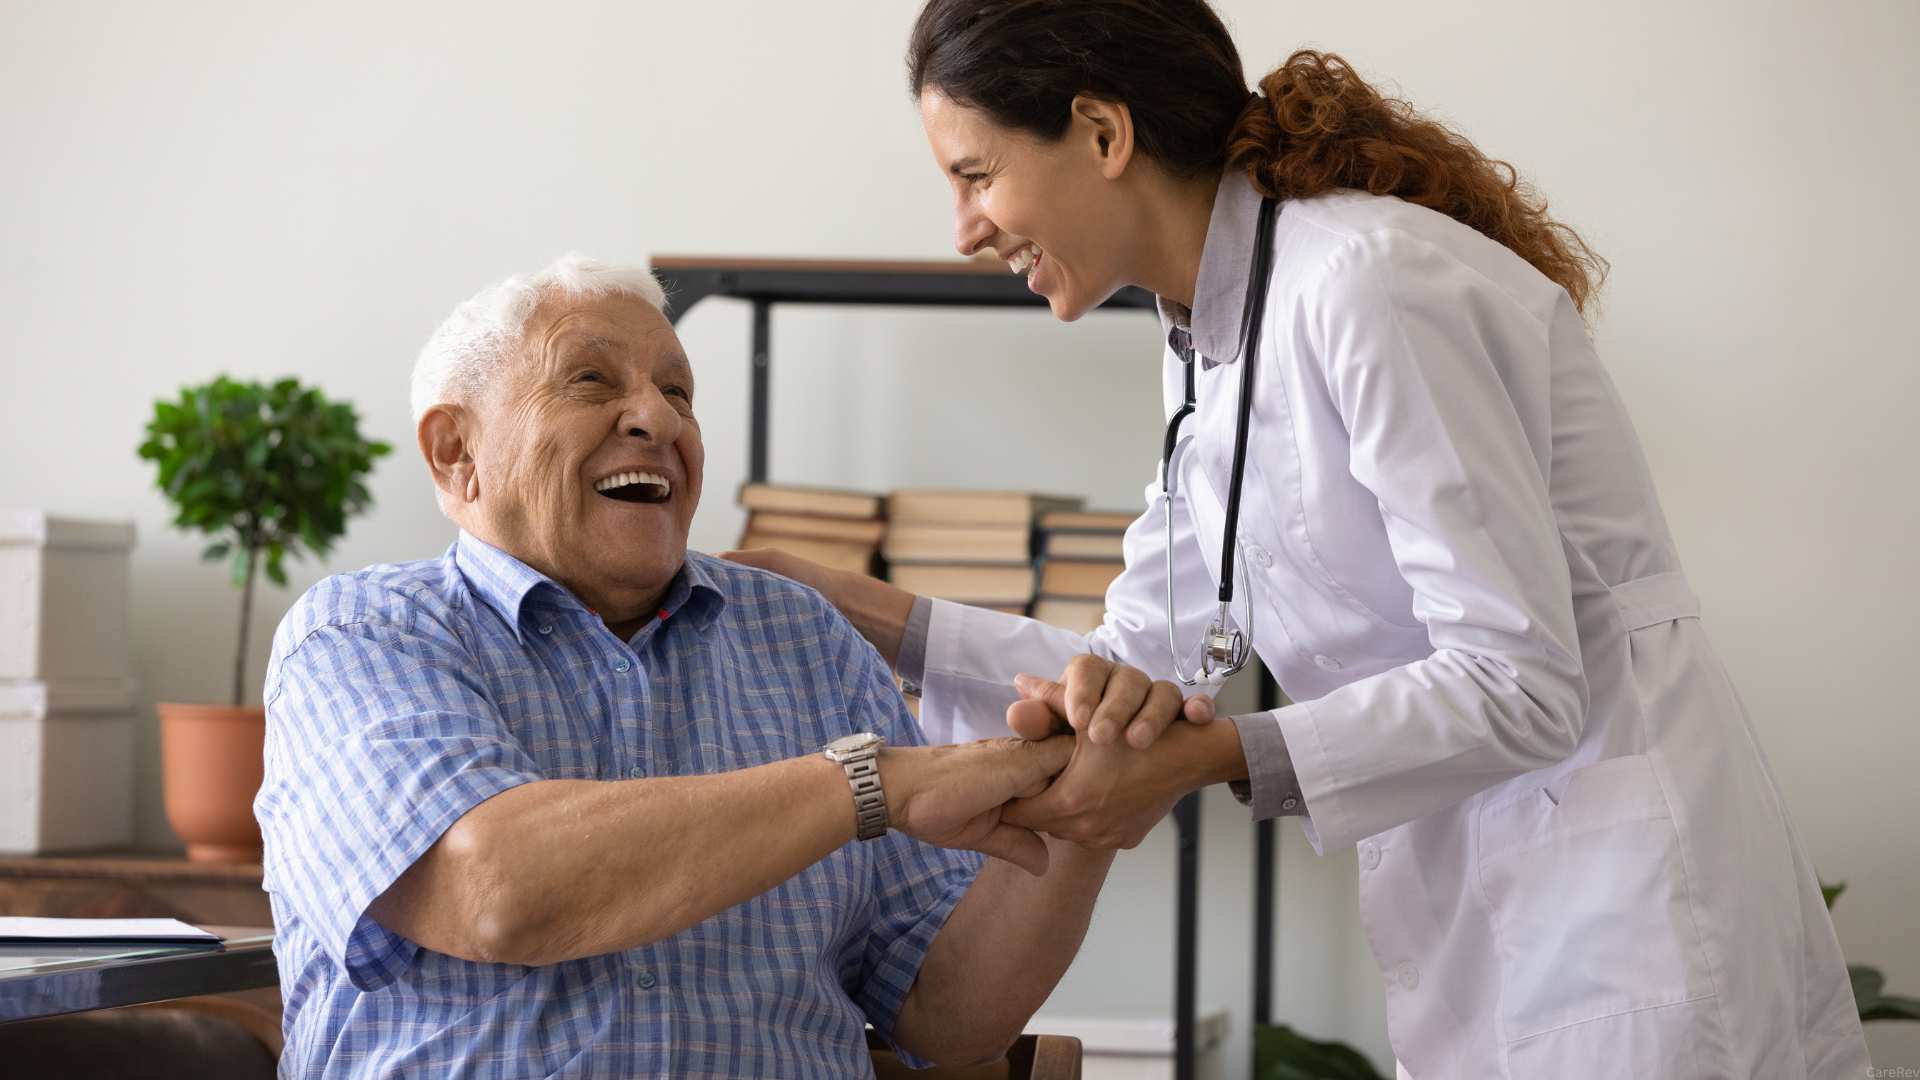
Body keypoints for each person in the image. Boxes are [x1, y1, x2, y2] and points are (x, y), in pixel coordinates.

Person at [723, 2, 1871, 1075]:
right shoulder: (1207, 337)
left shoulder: (1364, 286)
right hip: (1494, 905)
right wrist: (850, 604)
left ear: (1102, 130)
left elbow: (1522, 684)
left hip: (1621, 914)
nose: (967, 227)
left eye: (977, 175)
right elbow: (1137, 656)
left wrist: (1220, 754)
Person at [254, 255, 1115, 1077]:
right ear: (455, 452)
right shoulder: (360, 635)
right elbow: (497, 889)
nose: (658, 420)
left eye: (678, 392)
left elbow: (949, 1016)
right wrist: (867, 785)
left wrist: (1088, 812)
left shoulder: (805, 638)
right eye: (590, 381)